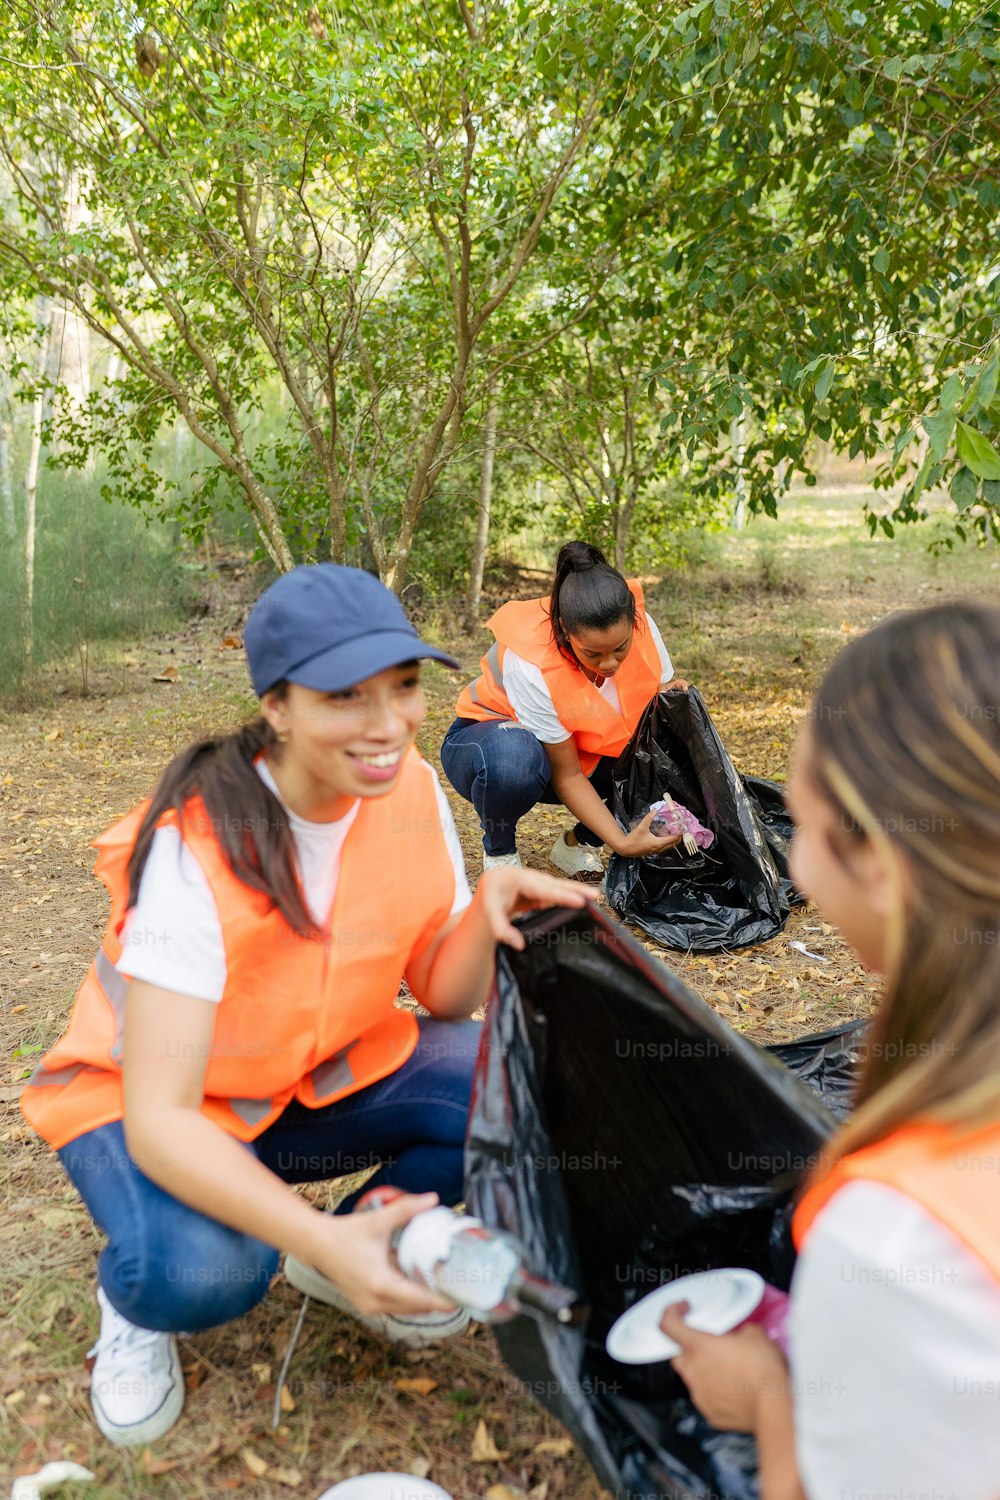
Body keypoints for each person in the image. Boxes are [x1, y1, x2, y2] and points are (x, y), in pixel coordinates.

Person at [20, 563, 593, 1450]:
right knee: (211, 1270)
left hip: (301, 1079)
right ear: (278, 707)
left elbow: (444, 995)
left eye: (403, 688)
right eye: (345, 697)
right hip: (146, 1107)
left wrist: (486, 908)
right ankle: (134, 1302)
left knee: (508, 1081)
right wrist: (307, 1238)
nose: (389, 723)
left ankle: (368, 1237)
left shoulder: (406, 790)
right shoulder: (196, 846)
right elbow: (164, 1121)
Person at [659, 602, 1000, 1500]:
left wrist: (771, 1399)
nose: (793, 867)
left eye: (802, 831)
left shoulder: (897, 1240)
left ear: (883, 865)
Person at [441, 541, 690, 877]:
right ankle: (500, 857)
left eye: (620, 648)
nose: (610, 663)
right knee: (515, 758)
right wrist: (623, 842)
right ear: (563, 629)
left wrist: (677, 704)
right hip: (488, 745)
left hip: (573, 749)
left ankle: (577, 845)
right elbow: (568, 774)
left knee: (664, 746)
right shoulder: (531, 663)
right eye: (593, 654)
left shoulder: (643, 626)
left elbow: (656, 716)